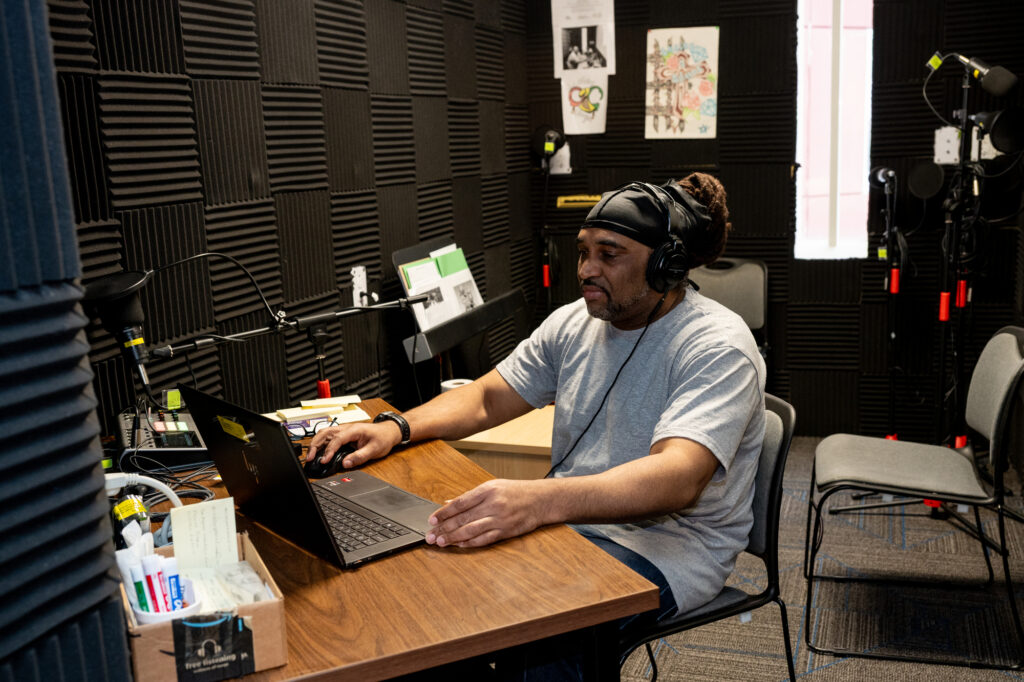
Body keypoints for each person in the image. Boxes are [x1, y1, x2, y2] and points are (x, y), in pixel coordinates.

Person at [308, 173, 765, 678]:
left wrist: (538, 500)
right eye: (583, 251)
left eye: (609, 255)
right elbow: (487, 396)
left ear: (665, 265)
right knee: (438, 596)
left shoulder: (717, 347)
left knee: (547, 633)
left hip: (675, 546)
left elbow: (677, 478)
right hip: (573, 519)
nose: (587, 270)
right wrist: (395, 427)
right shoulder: (575, 322)